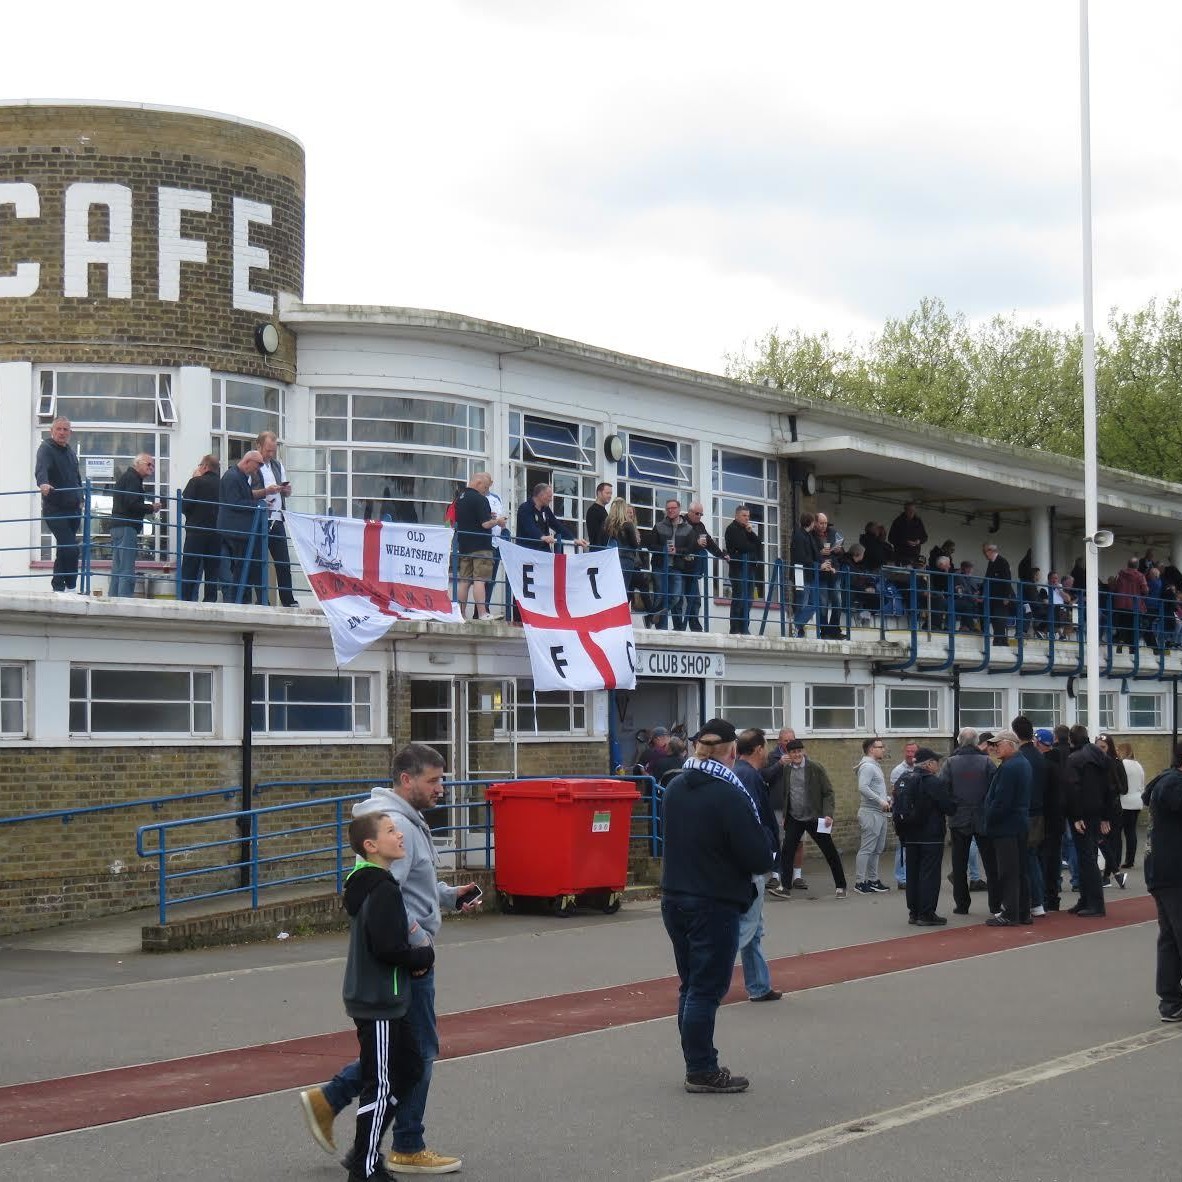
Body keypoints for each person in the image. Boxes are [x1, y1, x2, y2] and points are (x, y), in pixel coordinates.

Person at [299, 743, 477, 1173]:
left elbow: (417, 882)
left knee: (400, 1052)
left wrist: (450, 898)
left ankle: (333, 1100)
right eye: (434, 781)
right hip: (406, 964)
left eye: (443, 780)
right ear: (406, 780)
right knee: (415, 1053)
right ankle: (406, 1145)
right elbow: (386, 897)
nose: (442, 789)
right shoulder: (396, 823)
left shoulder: (402, 821)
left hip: (407, 957)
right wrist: (419, 948)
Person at [660, 717, 775, 1093]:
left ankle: (695, 1061)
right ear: (731, 752)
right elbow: (757, 856)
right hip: (713, 899)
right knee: (706, 988)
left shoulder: (675, 787)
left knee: (690, 985)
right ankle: (701, 1068)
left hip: (676, 895)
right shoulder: (729, 792)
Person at [339, 812, 436, 1182]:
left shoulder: (380, 884)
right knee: (380, 1084)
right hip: (377, 1000)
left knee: (409, 1067)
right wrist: (421, 957)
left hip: (391, 998)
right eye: (391, 831)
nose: (400, 835)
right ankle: (364, 1168)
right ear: (371, 846)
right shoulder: (380, 888)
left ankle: (363, 1153)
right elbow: (387, 947)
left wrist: (411, 960)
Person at [732, 729, 784, 1003]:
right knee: (745, 928)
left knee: (752, 930)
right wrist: (765, 855)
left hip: (748, 862)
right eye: (766, 746)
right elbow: (755, 821)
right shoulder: (748, 776)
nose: (768, 751)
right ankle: (702, 980)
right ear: (758, 749)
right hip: (751, 864)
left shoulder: (740, 773)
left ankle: (759, 985)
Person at [778, 739, 847, 898]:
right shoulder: (787, 769)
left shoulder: (815, 768)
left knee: (829, 851)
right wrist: (785, 815)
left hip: (814, 817)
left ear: (803, 752)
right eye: (793, 752)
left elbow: (828, 792)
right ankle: (785, 887)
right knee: (787, 851)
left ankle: (841, 886)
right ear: (788, 754)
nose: (796, 754)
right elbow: (786, 794)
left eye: (798, 751)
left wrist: (828, 814)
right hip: (795, 817)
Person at [895, 747, 956, 925]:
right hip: (931, 835)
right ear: (929, 764)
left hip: (910, 835)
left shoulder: (904, 779)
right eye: (937, 762)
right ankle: (926, 913)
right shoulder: (933, 782)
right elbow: (949, 807)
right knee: (929, 874)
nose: (938, 765)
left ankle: (913, 912)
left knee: (913, 873)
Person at [1064, 725, 1120, 918]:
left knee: (1086, 858)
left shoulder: (1074, 759)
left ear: (1071, 739)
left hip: (1083, 814)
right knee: (1088, 856)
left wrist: (1076, 816)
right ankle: (1087, 900)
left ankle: (1094, 903)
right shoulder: (1102, 758)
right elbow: (1110, 788)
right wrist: (1106, 815)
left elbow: (1073, 789)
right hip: (1096, 811)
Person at [1143, 746, 1182, 1021]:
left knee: (1169, 937)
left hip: (1163, 870)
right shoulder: (1173, 785)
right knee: (1173, 936)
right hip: (1173, 871)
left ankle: (1170, 1000)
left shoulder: (1165, 781)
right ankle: (1170, 999)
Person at [981, 729, 1032, 926]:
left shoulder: (1011, 767)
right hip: (1018, 824)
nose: (994, 748)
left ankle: (1011, 912)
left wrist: (990, 819)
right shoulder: (1021, 763)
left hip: (1007, 827)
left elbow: (1001, 801)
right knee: (1020, 870)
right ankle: (1022, 911)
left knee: (1008, 871)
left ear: (1010, 744)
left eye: (998, 744)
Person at [940, 727, 993, 914]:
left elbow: (943, 789)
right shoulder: (987, 761)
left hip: (958, 818)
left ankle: (962, 904)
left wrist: (952, 808)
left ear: (959, 741)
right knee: (990, 863)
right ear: (976, 741)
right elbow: (994, 788)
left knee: (959, 864)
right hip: (983, 817)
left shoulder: (950, 763)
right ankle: (995, 904)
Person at [249, 431, 297, 607]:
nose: (270, 454)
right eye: (268, 450)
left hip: (277, 519)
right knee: (259, 562)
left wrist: (286, 490)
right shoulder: (252, 466)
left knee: (283, 562)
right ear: (259, 446)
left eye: (273, 451)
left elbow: (288, 491)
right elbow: (246, 493)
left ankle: (288, 599)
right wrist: (266, 492)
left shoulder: (277, 465)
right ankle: (262, 600)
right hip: (259, 519)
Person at [35, 416, 82, 592]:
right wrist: (43, 483)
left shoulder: (70, 451)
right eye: (59, 429)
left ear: (70, 432)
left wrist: (81, 498)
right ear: (52, 431)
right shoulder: (46, 448)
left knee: (64, 550)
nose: (62, 433)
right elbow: (41, 469)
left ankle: (58, 587)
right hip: (55, 509)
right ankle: (71, 587)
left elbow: (76, 477)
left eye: (66, 430)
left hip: (73, 508)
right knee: (71, 549)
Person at [108, 453, 160, 598]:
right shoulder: (133, 479)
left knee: (118, 567)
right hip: (127, 526)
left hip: (117, 525)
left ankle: (113, 598)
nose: (152, 468)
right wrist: (151, 508)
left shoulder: (128, 478)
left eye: (153, 465)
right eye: (148, 464)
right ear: (137, 464)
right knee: (126, 568)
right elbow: (131, 503)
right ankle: (124, 600)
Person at [455, 472, 505, 622]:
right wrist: (498, 521)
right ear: (478, 483)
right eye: (485, 486)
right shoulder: (481, 499)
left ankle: (461, 614)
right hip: (481, 546)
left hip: (464, 545)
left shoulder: (460, 499)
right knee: (480, 580)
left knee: (464, 581)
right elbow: (485, 524)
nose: (486, 490)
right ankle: (483, 613)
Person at [217, 450, 264, 602]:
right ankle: (238, 599)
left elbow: (241, 499)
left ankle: (241, 598)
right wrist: (258, 506)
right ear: (248, 461)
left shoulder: (239, 477)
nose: (257, 471)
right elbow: (234, 502)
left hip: (237, 529)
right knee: (238, 568)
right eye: (257, 466)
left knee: (241, 568)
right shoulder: (233, 476)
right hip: (234, 530)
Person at [1013, 716, 1047, 917]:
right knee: (1033, 857)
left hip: (1025, 813)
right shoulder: (1039, 756)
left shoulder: (1021, 759)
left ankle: (1033, 901)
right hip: (1039, 811)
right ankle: (1038, 900)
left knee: (1026, 859)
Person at [648, 499, 696, 631]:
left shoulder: (688, 529)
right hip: (659, 566)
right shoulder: (659, 526)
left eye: (673, 508)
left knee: (675, 597)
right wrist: (664, 549)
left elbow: (691, 548)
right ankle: (661, 628)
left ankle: (652, 616)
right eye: (668, 508)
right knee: (660, 596)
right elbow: (651, 545)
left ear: (679, 509)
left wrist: (678, 551)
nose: (670, 510)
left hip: (676, 567)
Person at [604, 497, 655, 622]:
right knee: (626, 589)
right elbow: (635, 544)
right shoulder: (627, 525)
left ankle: (615, 618)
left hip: (612, 559)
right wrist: (636, 540)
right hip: (626, 560)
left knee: (619, 589)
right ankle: (624, 619)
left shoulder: (609, 524)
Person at [179, 455, 222, 603]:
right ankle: (210, 600)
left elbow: (184, 506)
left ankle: (186, 599)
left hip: (196, 531)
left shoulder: (196, 482)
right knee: (212, 570)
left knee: (190, 568)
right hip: (216, 532)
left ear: (204, 466)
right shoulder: (222, 485)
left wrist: (194, 479)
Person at [854, 736, 892, 894]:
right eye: (880, 747)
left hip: (880, 813)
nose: (883, 749)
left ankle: (873, 880)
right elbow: (862, 787)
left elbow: (875, 788)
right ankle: (859, 882)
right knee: (867, 849)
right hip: (870, 813)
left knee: (877, 849)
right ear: (871, 749)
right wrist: (880, 801)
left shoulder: (874, 765)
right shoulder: (868, 766)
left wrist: (886, 799)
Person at [1034, 728, 1066, 912]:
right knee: (1053, 860)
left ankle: (1046, 897)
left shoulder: (1044, 767)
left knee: (1043, 859)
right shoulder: (1060, 764)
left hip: (1046, 818)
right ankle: (1053, 896)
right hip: (1057, 819)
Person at [683, 501, 727, 632]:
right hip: (681, 566)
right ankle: (678, 625)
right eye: (697, 513)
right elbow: (680, 543)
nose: (699, 516)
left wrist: (721, 554)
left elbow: (709, 543)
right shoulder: (681, 524)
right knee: (677, 598)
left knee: (695, 599)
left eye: (701, 514)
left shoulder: (700, 526)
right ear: (690, 512)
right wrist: (696, 543)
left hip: (694, 568)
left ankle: (695, 626)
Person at [1095, 733, 1130, 888]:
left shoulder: (1116, 763)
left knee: (1110, 841)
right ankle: (1112, 874)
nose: (1100, 750)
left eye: (1103, 747)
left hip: (1112, 809)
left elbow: (1124, 788)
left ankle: (1109, 874)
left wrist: (1112, 788)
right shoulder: (1094, 763)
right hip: (1099, 808)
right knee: (1102, 841)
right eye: (1097, 747)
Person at [724, 505, 762, 635]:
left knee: (749, 599)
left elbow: (758, 544)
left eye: (748, 516)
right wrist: (751, 545)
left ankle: (744, 627)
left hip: (750, 568)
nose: (747, 519)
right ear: (737, 516)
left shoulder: (747, 530)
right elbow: (743, 546)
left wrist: (751, 533)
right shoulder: (732, 529)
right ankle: (735, 629)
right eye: (744, 516)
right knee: (739, 598)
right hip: (738, 568)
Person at [517, 483, 587, 553]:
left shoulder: (545, 509)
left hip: (543, 551)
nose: (551, 499)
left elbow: (557, 525)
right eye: (549, 496)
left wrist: (573, 539)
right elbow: (529, 527)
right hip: (527, 551)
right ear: (541, 495)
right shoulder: (525, 508)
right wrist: (542, 537)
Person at [890, 741, 919, 889]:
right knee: (902, 847)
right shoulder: (898, 770)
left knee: (914, 846)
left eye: (913, 751)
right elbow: (896, 794)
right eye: (908, 751)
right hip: (903, 814)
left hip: (917, 814)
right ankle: (901, 878)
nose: (910, 754)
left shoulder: (920, 768)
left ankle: (912, 876)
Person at [1117, 742, 1145, 869]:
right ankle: (1130, 860)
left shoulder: (1121, 764)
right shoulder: (1138, 765)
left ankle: (1116, 859)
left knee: (1117, 833)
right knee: (1131, 832)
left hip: (1124, 802)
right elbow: (1142, 784)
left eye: (1118, 749)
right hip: (1137, 801)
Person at [982, 542, 1014, 647]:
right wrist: (981, 591)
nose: (984, 553)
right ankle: (1001, 639)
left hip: (1001, 596)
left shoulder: (1002, 562)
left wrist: (1007, 596)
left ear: (990, 551)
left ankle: (999, 640)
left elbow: (1007, 579)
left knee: (1000, 617)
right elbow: (987, 579)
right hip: (993, 596)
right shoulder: (991, 562)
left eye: (985, 551)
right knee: (995, 618)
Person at [887, 501, 927, 566]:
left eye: (913, 510)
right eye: (909, 510)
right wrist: (905, 542)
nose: (912, 512)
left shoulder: (918, 522)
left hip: (915, 555)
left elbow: (924, 537)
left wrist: (918, 541)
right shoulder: (898, 522)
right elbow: (891, 538)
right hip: (901, 555)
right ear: (905, 510)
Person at [584, 482, 613, 549]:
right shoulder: (594, 510)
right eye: (607, 493)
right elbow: (595, 534)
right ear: (599, 493)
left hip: (602, 550)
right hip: (598, 550)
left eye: (611, 493)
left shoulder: (602, 510)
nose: (610, 496)